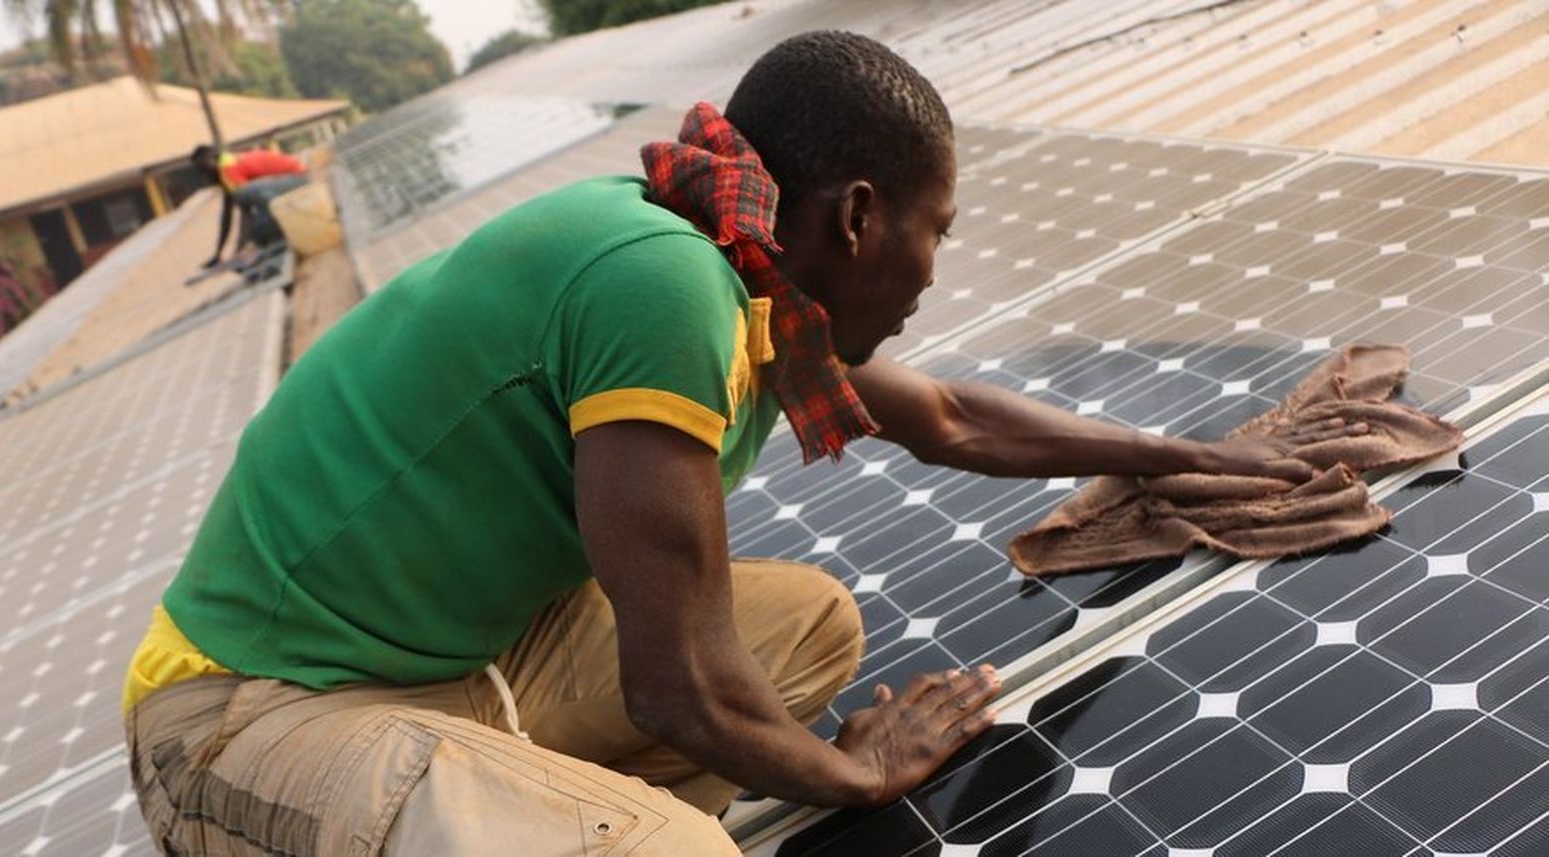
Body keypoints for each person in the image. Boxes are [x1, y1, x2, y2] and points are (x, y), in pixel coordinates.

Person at [124, 31, 1362, 856]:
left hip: (460, 667)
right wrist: (860, 772)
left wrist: (1178, 454)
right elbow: (682, 684)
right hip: (250, 714)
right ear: (861, 217)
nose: (935, 268)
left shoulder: (732, 255)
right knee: (681, 844)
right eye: (938, 228)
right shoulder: (661, 285)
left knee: (809, 621)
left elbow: (952, 416)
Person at [190, 143, 309, 269]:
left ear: (212, 159)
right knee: (256, 228)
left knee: (258, 225)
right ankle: (276, 238)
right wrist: (220, 254)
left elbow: (246, 212)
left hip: (298, 179)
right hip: (290, 182)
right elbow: (228, 216)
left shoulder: (229, 170)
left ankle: (283, 233)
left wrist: (242, 247)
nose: (206, 177)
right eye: (201, 172)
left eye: (205, 170)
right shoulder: (228, 166)